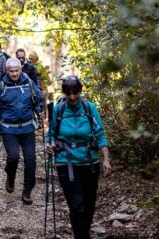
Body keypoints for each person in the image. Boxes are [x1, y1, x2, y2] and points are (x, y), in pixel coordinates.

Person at [46, 76, 112, 239]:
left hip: (89, 162)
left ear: (81, 92)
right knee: (77, 205)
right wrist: (49, 145)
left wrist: (106, 159)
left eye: (76, 93)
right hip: (65, 162)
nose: (73, 97)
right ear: (64, 93)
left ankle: (83, 233)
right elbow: (51, 134)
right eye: (69, 94)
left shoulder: (90, 108)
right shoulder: (59, 110)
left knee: (89, 204)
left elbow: (100, 134)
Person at [0, 58, 44, 205]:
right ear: (6, 70)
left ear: (20, 69)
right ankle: (10, 176)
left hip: (28, 127)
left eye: (16, 70)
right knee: (13, 157)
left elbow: (37, 100)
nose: (14, 73)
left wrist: (40, 113)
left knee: (30, 160)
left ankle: (27, 191)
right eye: (11, 71)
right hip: (9, 128)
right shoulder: (2, 86)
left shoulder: (28, 82)